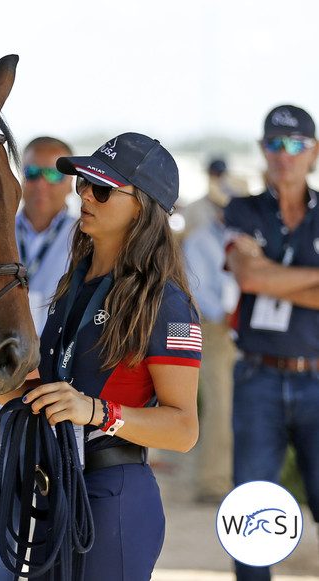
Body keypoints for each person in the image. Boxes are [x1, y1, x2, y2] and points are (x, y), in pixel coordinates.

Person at [0, 132, 201, 580]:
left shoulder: (165, 302)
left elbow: (183, 429)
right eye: (83, 183)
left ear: (143, 206)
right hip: (57, 491)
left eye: (101, 189)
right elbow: (52, 393)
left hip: (112, 496)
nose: (84, 195)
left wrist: (97, 412)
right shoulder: (74, 282)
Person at [0, 136, 77, 581]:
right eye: (33, 172)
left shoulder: (85, 240)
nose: (41, 184)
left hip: (61, 395)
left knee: (57, 523)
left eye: (55, 174)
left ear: (70, 184)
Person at [223, 104, 319, 581]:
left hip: (317, 377)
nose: (286, 155)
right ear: (263, 151)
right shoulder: (243, 208)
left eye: (297, 145)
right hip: (257, 375)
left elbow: (259, 275)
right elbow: (246, 276)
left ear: (314, 152)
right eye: (276, 145)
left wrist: (268, 275)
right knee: (250, 513)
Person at [182, 158, 241, 503]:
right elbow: (197, 288)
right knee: (219, 406)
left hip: (234, 327)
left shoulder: (233, 238)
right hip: (214, 328)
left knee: (233, 406)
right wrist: (225, 313)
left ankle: (226, 478)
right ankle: (212, 483)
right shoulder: (202, 239)